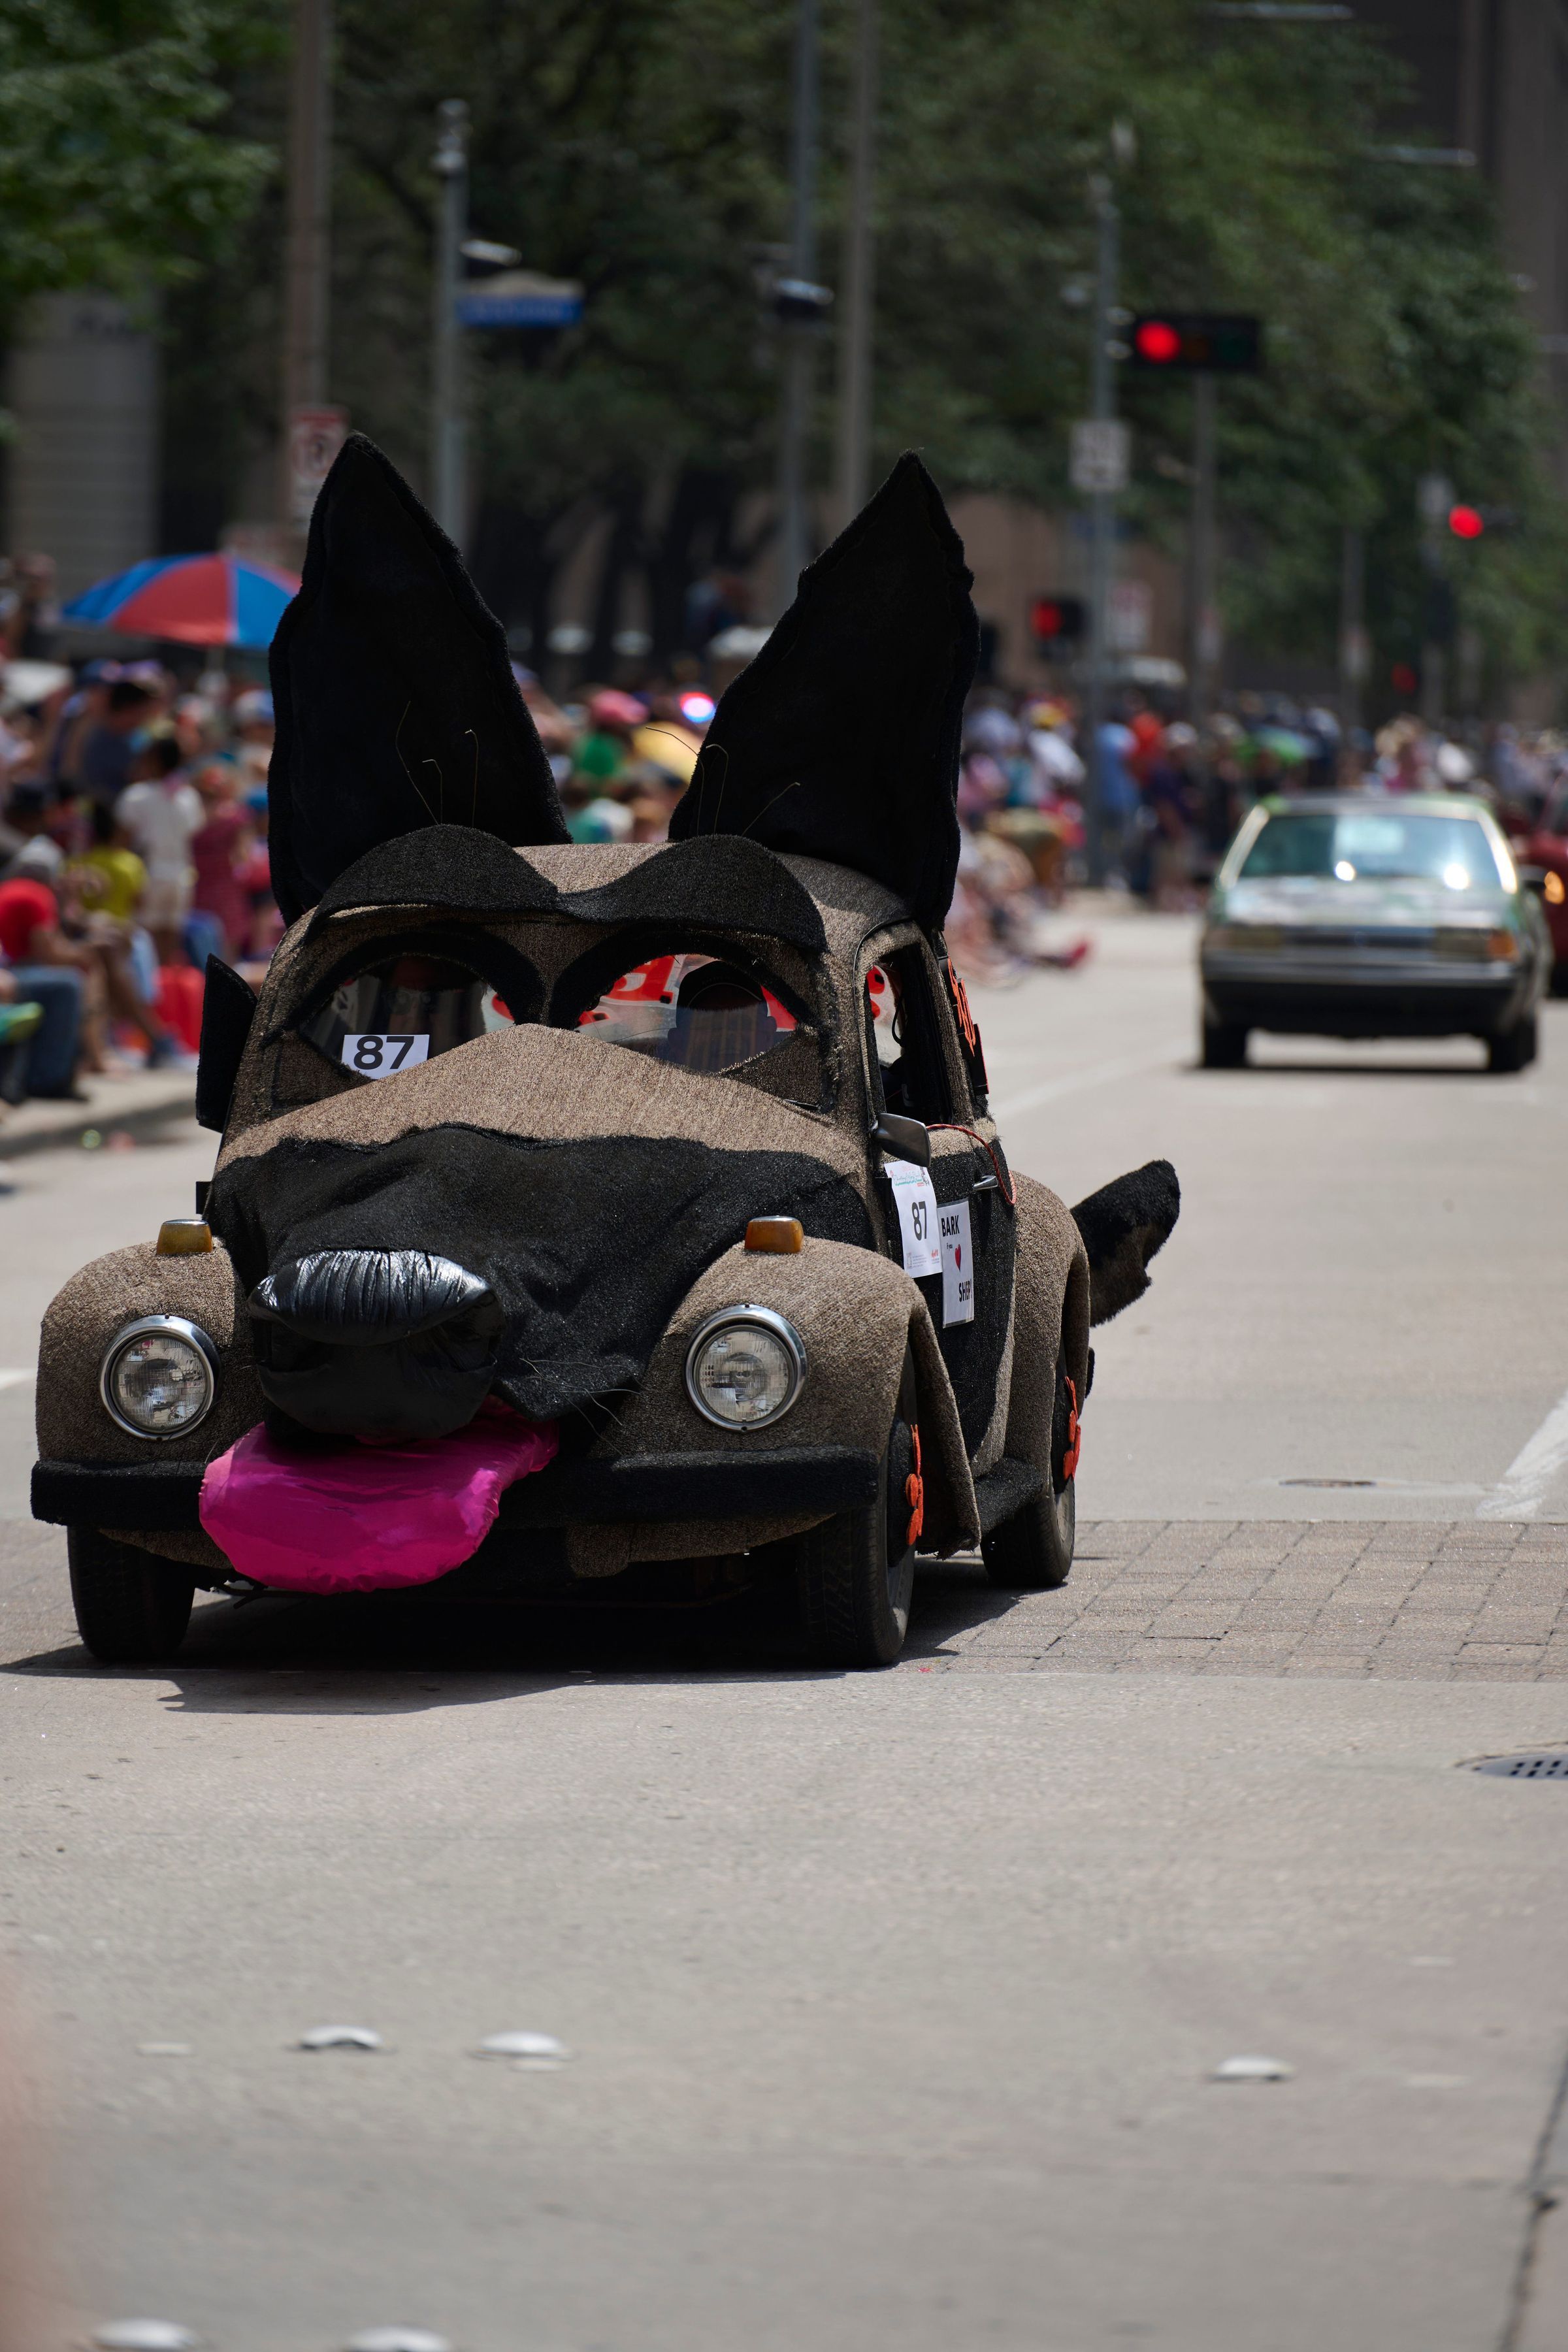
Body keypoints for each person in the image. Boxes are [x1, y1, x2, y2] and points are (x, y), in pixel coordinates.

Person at [115, 733, 204, 963]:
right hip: (182, 877)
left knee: (145, 941)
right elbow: (194, 832)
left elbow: (123, 841)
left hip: (148, 874)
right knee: (171, 942)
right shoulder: (189, 796)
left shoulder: (136, 796)